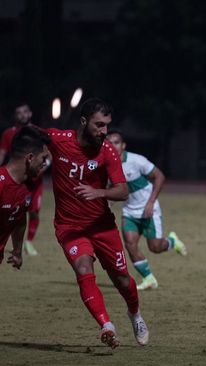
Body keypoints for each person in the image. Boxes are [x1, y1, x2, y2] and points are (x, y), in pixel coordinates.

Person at [47, 98, 148, 348]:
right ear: (83, 122)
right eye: (99, 125)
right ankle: (107, 326)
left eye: (107, 126)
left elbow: (123, 191)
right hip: (70, 227)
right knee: (83, 268)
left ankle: (134, 314)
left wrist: (99, 193)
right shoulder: (59, 140)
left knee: (122, 280)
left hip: (102, 226)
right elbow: (31, 137)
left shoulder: (107, 152)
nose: (104, 132)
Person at [106, 129, 187, 290]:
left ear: (123, 146)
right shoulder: (106, 165)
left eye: (116, 142)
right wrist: (108, 202)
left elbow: (160, 176)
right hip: (129, 212)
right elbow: (113, 188)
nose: (112, 146)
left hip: (148, 208)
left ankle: (172, 241)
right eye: (108, 142)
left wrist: (150, 202)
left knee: (155, 247)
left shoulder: (136, 161)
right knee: (130, 244)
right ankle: (149, 279)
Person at [0, 127, 51, 269]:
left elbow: (19, 219)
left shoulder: (26, 187)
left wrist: (17, 250)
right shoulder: (2, 183)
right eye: (44, 158)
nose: (45, 163)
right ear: (30, 158)